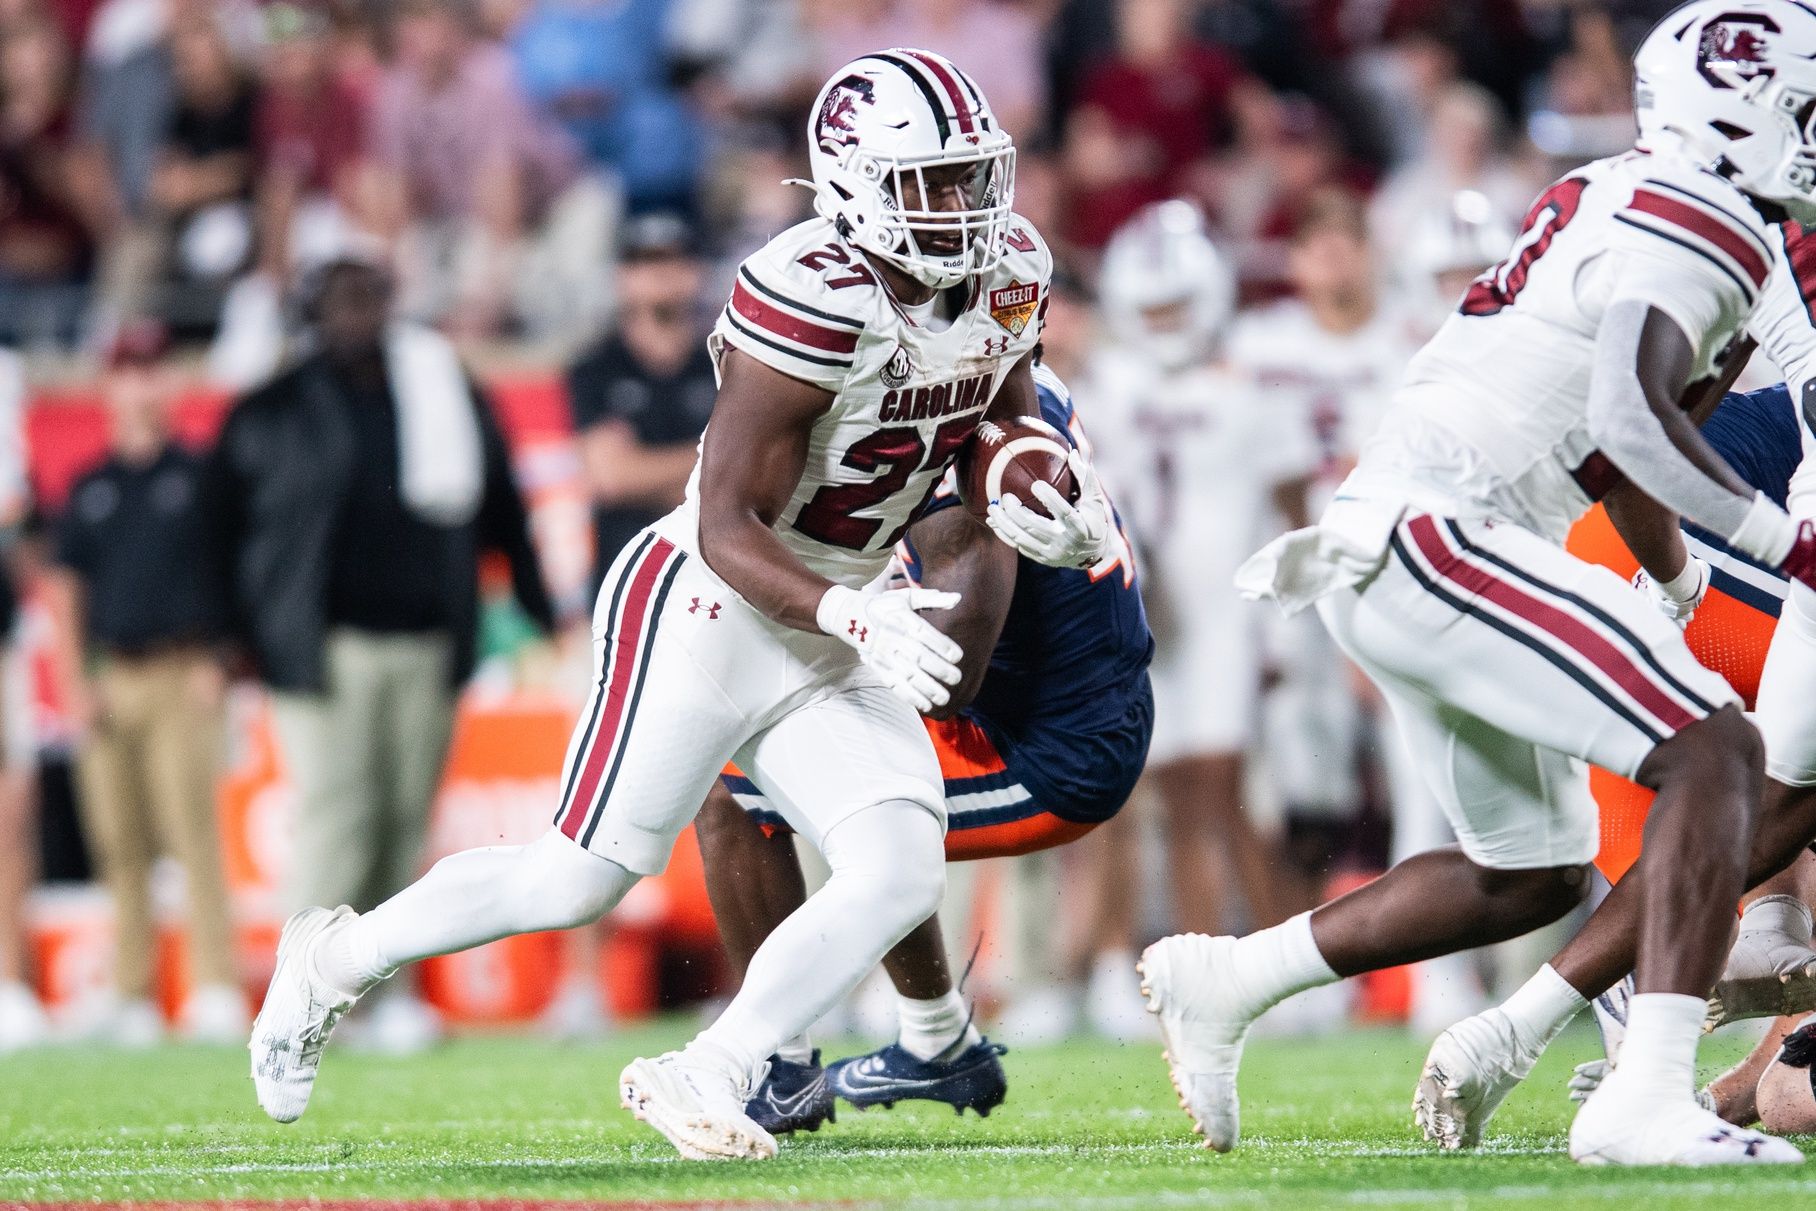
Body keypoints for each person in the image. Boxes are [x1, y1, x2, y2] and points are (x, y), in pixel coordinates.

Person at [247, 50, 1106, 1164]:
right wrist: (851, 615)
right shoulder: (809, 292)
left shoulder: (1006, 272)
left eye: (968, 176)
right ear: (850, 180)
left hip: (840, 603)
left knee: (900, 864)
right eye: (930, 183)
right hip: (711, 600)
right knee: (575, 879)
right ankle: (334, 958)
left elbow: (1000, 417)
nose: (963, 208)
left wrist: (1040, 489)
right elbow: (725, 524)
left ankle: (715, 1065)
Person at [1140, 0, 1816, 1167]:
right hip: (1448, 533)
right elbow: (1628, 421)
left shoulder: (1635, 193)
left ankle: (1232, 974)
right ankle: (1642, 1095)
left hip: (1391, 532)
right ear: (1739, 109)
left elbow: (1616, 455)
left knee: (1528, 874)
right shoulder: (1704, 217)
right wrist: (1780, 541)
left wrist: (1672, 584)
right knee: (1716, 750)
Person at [696, 361, 1152, 1132]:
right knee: (858, 769)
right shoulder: (995, 389)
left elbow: (947, 678)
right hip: (1047, 700)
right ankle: (938, 1043)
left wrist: (844, 622)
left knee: (737, 794)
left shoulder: (965, 455)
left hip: (1053, 750)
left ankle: (779, 1065)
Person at [211, 256, 556, 1053]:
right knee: (338, 818)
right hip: (322, 646)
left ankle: (380, 1000)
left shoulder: (440, 388)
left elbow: (501, 501)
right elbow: (223, 533)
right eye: (341, 300)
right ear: (312, 312)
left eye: (372, 296)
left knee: (403, 825)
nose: (360, 314)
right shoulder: (275, 408)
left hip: (430, 638)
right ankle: (295, 998)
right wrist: (234, 637)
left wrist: (535, 605)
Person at [1088, 200, 1315, 943]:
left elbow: (1294, 513)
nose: (1163, 323)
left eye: (1176, 306)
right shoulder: (1113, 386)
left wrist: (1283, 633)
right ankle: (1200, 959)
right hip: (1151, 614)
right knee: (1176, 795)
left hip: (1230, 611)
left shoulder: (1250, 380)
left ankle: (1285, 960)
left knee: (1224, 789)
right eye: (1150, 310)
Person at [46, 320, 242, 1045]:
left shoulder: (198, 477)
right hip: (112, 678)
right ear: (109, 385)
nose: (140, 383)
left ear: (172, 382)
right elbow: (66, 590)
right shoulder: (90, 486)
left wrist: (219, 659)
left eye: (152, 368)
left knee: (193, 833)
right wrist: (72, 679)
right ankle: (131, 990)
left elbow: (233, 575)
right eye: (127, 369)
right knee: (117, 841)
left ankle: (213, 984)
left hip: (181, 670)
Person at [566, 215, 717, 597]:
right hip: (624, 579)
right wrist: (709, 458)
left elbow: (743, 477)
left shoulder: (726, 362)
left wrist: (644, 469)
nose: (658, 274)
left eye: (672, 259)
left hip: (709, 582)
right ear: (621, 276)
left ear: (696, 271)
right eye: (643, 261)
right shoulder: (596, 366)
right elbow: (611, 477)